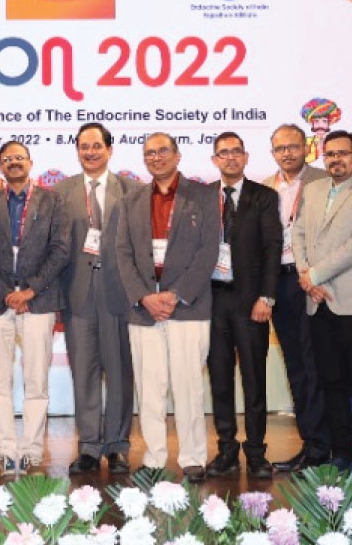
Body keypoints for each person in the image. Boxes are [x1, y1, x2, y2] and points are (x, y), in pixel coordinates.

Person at [110, 132, 221, 482]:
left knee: (189, 386)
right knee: (150, 388)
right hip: (144, 309)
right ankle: (155, 458)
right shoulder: (131, 201)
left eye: (162, 151)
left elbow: (208, 251)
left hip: (188, 306)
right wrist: (144, 296)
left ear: (177, 155)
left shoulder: (203, 196)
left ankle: (193, 458)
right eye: (149, 153)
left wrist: (176, 294)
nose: (155, 158)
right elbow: (123, 254)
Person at [292, 130, 352, 478]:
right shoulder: (313, 189)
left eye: (343, 153)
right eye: (330, 154)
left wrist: (315, 274)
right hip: (318, 302)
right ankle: (342, 450)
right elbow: (298, 234)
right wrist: (306, 275)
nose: (336, 160)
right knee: (330, 382)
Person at [0, 141, 69, 477]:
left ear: (30, 162)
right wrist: (6, 293)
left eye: (19, 157)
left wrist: (30, 290)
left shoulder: (53, 201)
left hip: (38, 301)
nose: (14, 162)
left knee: (36, 382)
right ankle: (2, 453)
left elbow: (60, 250)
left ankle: (31, 454)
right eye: (7, 159)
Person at [54, 122, 140, 476]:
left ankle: (117, 445)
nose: (90, 152)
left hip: (119, 293)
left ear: (109, 150)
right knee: (84, 372)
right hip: (78, 293)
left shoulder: (132, 189)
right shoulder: (61, 192)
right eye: (83, 146)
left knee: (120, 371)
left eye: (96, 146)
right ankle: (89, 446)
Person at [203, 132, 282, 480]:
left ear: (246, 157)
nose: (231, 157)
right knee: (219, 379)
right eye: (224, 153)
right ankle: (226, 450)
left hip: (251, 302)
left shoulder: (263, 196)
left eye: (237, 151)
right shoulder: (204, 197)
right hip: (212, 300)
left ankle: (256, 452)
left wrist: (267, 297)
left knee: (254, 378)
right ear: (215, 160)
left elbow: (272, 248)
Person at [261, 124, 332, 473]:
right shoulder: (264, 188)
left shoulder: (324, 180)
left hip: (316, 281)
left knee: (319, 365)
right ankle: (311, 444)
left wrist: (316, 274)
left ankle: (327, 446)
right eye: (280, 149)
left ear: (306, 148)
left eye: (292, 147)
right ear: (272, 153)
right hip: (280, 282)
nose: (286, 153)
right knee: (297, 367)